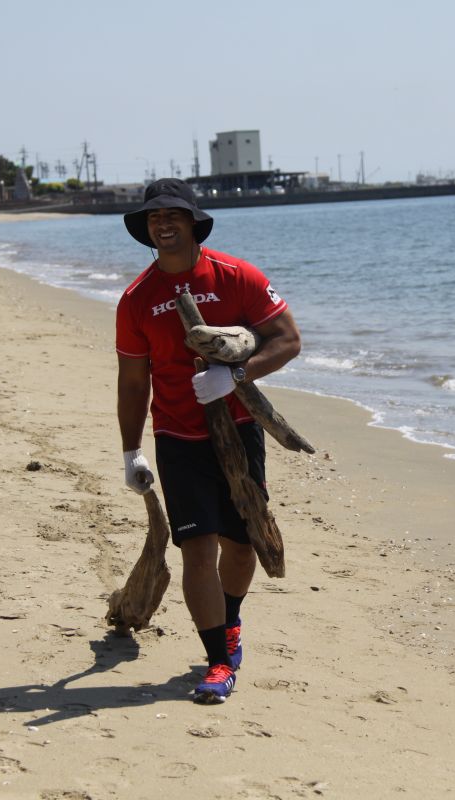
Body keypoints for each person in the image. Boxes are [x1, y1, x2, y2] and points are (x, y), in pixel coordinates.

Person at [116, 178, 301, 704]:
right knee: (196, 548)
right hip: (177, 435)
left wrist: (236, 377)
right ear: (146, 230)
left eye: (172, 215)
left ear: (194, 222)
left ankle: (232, 617)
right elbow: (134, 382)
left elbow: (288, 340)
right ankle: (218, 660)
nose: (163, 224)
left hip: (239, 432)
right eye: (154, 219)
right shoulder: (136, 299)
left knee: (241, 545)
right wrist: (131, 451)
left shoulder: (237, 276)